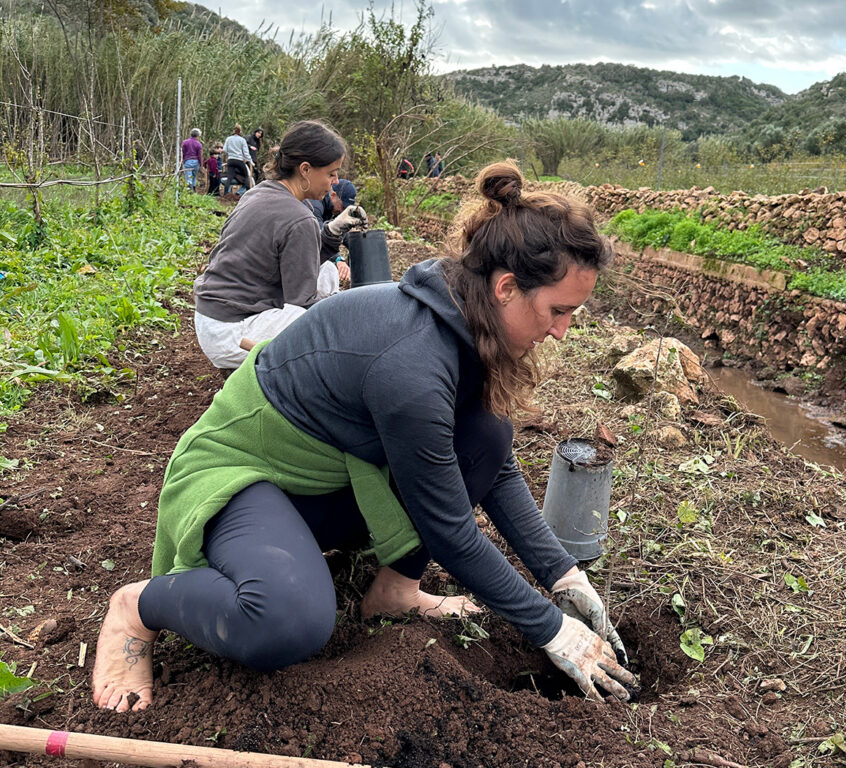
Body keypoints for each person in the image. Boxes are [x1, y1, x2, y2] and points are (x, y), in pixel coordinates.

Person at [91, 160, 636, 713]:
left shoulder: (465, 323)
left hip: (324, 476)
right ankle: (139, 607)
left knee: (487, 438)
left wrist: (564, 576)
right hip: (240, 474)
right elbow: (449, 529)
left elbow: (492, 468)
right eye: (558, 310)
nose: (561, 330)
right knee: (288, 620)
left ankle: (393, 592)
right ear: (505, 287)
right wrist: (553, 631)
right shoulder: (411, 364)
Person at [190, 120, 367, 372]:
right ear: (305, 169)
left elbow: (298, 257)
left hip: (212, 319)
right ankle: (269, 378)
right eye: (331, 173)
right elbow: (302, 303)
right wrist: (353, 310)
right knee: (331, 326)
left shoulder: (262, 191)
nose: (335, 182)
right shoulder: (300, 218)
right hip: (233, 332)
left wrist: (332, 230)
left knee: (326, 273)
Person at [307, 178, 359, 265]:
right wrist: (337, 258)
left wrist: (356, 246)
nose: (343, 211)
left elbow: (341, 231)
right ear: (333, 195)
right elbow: (320, 236)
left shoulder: (333, 208)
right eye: (343, 207)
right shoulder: (314, 205)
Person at [222, 124, 253, 196]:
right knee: (246, 176)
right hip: (239, 160)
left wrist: (231, 153)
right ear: (240, 132)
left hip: (230, 160)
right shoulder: (242, 140)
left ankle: (225, 194)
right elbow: (246, 153)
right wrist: (250, 161)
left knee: (229, 177)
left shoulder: (228, 138)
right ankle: (249, 193)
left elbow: (225, 150)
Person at [181, 128, 203, 193]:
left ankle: (189, 190)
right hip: (195, 162)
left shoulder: (185, 142)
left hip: (187, 161)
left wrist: (182, 160)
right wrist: (201, 164)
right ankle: (193, 189)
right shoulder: (198, 144)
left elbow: (182, 152)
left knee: (188, 176)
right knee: (194, 176)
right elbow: (200, 155)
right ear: (198, 136)